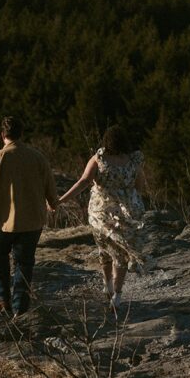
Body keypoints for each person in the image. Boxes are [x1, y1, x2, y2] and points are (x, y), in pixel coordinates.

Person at [0, 115, 58, 317]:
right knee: (24, 264)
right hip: (31, 222)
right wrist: (53, 203)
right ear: (21, 134)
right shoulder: (38, 158)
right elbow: (50, 188)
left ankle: (3, 301)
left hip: (0, 222)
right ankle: (20, 308)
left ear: (2, 135)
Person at [58, 125, 146, 310]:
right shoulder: (133, 161)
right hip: (127, 212)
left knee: (105, 249)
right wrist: (129, 198)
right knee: (121, 252)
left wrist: (61, 200)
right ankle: (118, 294)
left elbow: (83, 181)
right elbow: (140, 186)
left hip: (101, 211)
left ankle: (107, 284)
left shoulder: (99, 159)